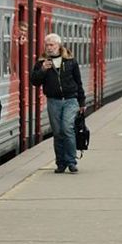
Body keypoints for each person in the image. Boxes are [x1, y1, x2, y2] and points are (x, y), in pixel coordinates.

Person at [30, 33, 86, 173]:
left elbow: (78, 82)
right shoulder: (42, 62)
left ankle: (71, 162)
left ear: (59, 45)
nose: (49, 48)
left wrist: (82, 101)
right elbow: (34, 81)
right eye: (47, 45)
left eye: (52, 45)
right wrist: (43, 70)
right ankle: (60, 163)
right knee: (58, 132)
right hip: (53, 101)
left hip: (70, 100)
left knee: (67, 128)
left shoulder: (70, 61)